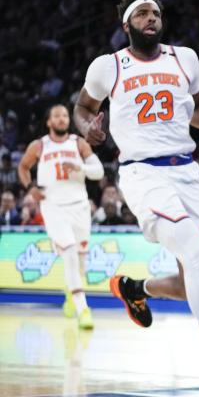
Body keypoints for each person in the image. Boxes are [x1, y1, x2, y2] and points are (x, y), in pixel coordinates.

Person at [73, 0, 199, 395]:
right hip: (142, 173)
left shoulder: (185, 58)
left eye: (155, 12)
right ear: (127, 25)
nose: (151, 18)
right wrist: (89, 127)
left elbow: (196, 111)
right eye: (141, 13)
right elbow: (82, 107)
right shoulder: (109, 66)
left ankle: (134, 289)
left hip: (186, 173)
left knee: (190, 280)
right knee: (193, 249)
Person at [17, 104, 103, 328]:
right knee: (70, 255)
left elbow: (99, 172)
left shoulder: (78, 143)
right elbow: (23, 168)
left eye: (65, 115)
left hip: (79, 207)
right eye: (57, 115)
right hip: (53, 207)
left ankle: (69, 293)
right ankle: (83, 309)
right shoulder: (39, 145)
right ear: (49, 122)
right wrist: (30, 188)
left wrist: (79, 167)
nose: (62, 119)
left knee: (80, 263)